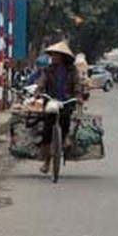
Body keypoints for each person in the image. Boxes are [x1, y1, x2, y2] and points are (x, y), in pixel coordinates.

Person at [35, 40, 85, 174]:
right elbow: (42, 81)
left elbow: (77, 84)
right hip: (51, 100)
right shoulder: (48, 70)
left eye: (56, 55)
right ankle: (46, 162)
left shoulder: (72, 70)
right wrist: (38, 92)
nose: (54, 57)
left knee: (65, 119)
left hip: (67, 100)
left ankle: (65, 138)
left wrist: (78, 96)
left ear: (63, 56)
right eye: (53, 55)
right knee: (47, 129)